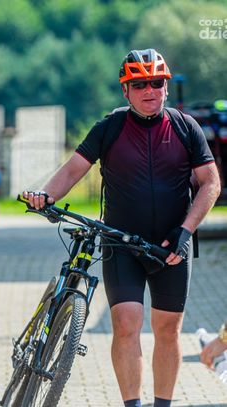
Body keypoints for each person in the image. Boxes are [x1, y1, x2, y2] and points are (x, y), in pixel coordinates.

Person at [24, 49, 221, 407]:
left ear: (165, 86)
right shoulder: (110, 127)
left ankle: (163, 403)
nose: (150, 90)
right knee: (127, 323)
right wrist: (46, 196)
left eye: (156, 83)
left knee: (168, 330)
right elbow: (73, 169)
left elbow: (211, 183)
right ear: (125, 90)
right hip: (121, 244)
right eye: (140, 84)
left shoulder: (184, 127)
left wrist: (186, 231)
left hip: (172, 247)